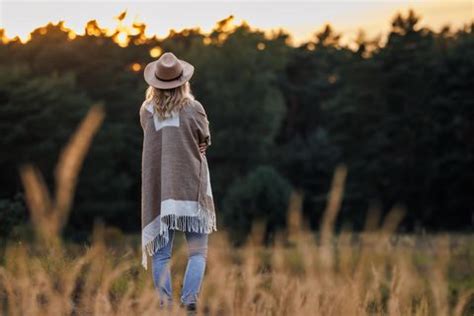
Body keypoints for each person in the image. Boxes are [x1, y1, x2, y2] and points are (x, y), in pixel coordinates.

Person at [139, 52, 217, 313]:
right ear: (183, 81)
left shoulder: (146, 111)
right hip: (191, 188)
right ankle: (190, 301)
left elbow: (153, 140)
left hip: (160, 189)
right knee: (198, 252)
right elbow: (204, 139)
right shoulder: (194, 108)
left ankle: (165, 305)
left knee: (161, 255)